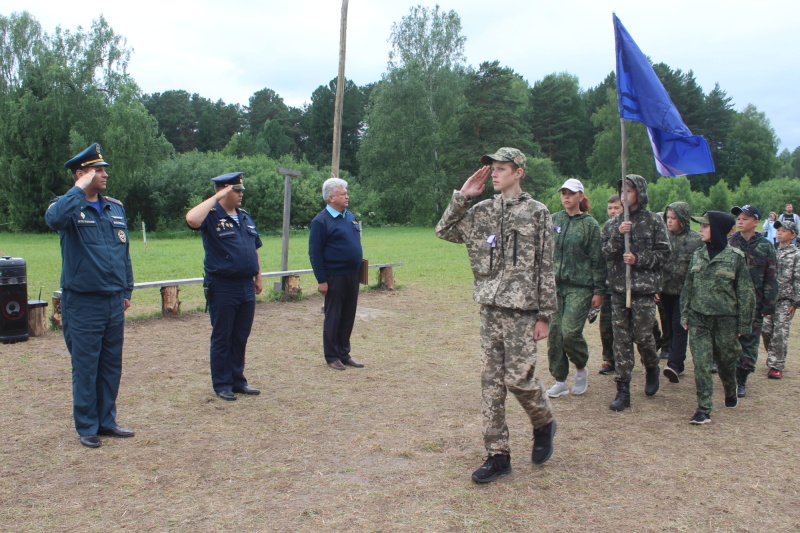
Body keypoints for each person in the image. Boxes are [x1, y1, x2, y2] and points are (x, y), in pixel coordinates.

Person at [435, 147, 557, 484]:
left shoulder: (538, 213)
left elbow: (545, 266)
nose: (495, 174)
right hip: (490, 307)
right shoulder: (482, 211)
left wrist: (545, 314)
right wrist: (463, 197)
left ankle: (543, 420)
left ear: (519, 172)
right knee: (491, 383)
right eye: (493, 169)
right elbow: (444, 231)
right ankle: (497, 454)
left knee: (518, 379)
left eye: (502, 168)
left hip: (522, 310)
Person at [45, 143, 135, 448]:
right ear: (81, 174)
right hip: (82, 302)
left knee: (111, 364)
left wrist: (126, 289)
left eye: (104, 169)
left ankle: (107, 421)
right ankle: (87, 427)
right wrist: (79, 188)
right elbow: (54, 220)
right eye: (98, 170)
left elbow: (125, 253)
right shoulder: (66, 206)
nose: (105, 174)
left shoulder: (115, 207)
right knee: (86, 366)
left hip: (112, 299)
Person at [186, 173, 263, 401]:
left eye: (241, 190)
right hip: (223, 285)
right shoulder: (210, 216)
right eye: (236, 190)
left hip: (246, 285)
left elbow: (254, 248)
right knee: (223, 336)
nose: (241, 194)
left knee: (240, 335)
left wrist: (258, 277)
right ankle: (222, 383)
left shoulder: (245, 217)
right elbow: (191, 219)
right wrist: (216, 197)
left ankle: (238, 380)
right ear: (223, 192)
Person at [601, 174, 671, 412]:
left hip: (643, 289)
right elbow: (606, 253)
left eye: (629, 191)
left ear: (639, 193)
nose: (624, 195)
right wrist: (619, 235)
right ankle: (623, 390)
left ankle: (651, 366)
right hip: (620, 290)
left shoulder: (654, 221)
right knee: (621, 340)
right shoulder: (613, 224)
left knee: (642, 336)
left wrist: (639, 259)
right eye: (621, 190)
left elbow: (664, 254)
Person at [681, 211, 754, 424]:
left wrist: (744, 323)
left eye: (705, 226)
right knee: (702, 364)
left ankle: (730, 390)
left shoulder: (735, 258)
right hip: (699, 318)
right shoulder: (698, 254)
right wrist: (685, 313)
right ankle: (703, 409)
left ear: (718, 230)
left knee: (726, 362)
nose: (700, 230)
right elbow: (688, 286)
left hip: (726, 320)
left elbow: (745, 293)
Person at [546, 179, 605, 398]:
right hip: (554, 287)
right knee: (555, 336)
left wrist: (599, 291)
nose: (566, 197)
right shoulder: (553, 219)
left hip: (580, 287)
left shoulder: (589, 224)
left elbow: (598, 260)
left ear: (581, 196)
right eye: (563, 193)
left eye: (571, 193)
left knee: (569, 333)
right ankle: (560, 380)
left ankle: (581, 368)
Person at [309, 177, 365, 371]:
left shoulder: (350, 216)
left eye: (346, 193)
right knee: (333, 316)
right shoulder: (321, 221)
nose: (347, 196)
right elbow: (315, 253)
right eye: (343, 194)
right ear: (331, 197)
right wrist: (322, 280)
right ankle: (332, 355)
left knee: (348, 315)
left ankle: (344, 353)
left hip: (352, 274)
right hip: (334, 277)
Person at [728, 205, 778, 397]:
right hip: (731, 302)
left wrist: (769, 304)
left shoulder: (765, 245)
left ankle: (742, 378)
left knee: (749, 341)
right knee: (730, 340)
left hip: (754, 304)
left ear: (756, 222)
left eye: (745, 219)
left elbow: (771, 276)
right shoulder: (731, 242)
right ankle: (730, 374)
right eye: (739, 218)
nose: (740, 221)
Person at [660, 202, 703, 384]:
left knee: (680, 326)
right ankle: (678, 360)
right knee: (668, 325)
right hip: (664, 290)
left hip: (685, 292)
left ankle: (674, 364)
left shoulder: (696, 239)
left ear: (683, 219)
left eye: (673, 218)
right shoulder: (662, 236)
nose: (669, 222)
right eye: (668, 218)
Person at [761, 219, 800, 379]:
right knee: (766, 330)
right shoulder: (773, 251)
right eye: (778, 230)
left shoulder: (796, 254)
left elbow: (798, 279)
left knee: (780, 333)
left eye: (784, 231)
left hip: (786, 299)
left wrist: (796, 303)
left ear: (793, 235)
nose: (779, 233)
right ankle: (773, 355)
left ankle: (777, 365)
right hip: (770, 299)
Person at [598, 195, 622, 375]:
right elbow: (602, 253)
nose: (612, 211)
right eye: (610, 208)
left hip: (630, 284)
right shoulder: (607, 227)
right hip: (609, 284)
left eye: (616, 207)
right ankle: (610, 359)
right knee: (606, 325)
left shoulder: (634, 226)